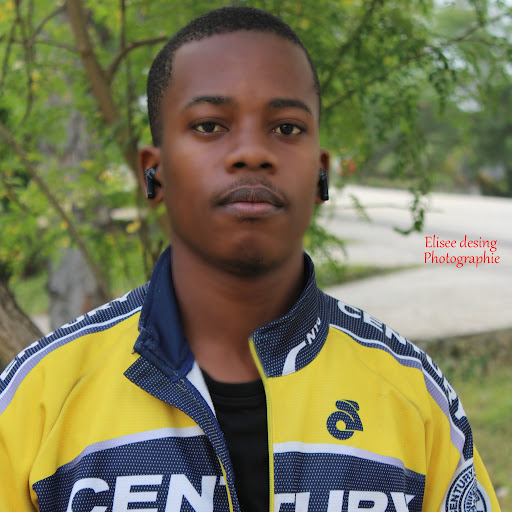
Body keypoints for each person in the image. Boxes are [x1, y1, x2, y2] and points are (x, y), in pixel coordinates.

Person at [0, 6, 501, 512]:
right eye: (209, 125)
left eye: (286, 128)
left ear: (321, 175)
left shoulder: (412, 395)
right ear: (155, 172)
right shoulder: (41, 397)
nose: (252, 152)